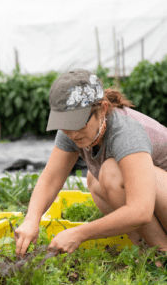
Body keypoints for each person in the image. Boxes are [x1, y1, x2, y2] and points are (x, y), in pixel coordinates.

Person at [14, 69, 167, 256]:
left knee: (110, 173)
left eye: (79, 124)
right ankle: (146, 251)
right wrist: (32, 219)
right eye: (65, 124)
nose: (73, 133)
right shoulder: (72, 131)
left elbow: (141, 210)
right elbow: (51, 178)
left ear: (102, 109)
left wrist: (79, 233)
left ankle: (161, 253)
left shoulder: (126, 132)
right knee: (94, 180)